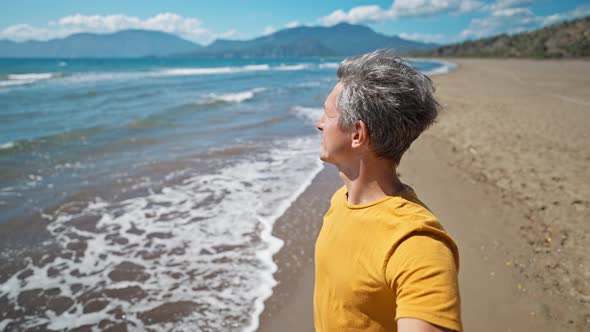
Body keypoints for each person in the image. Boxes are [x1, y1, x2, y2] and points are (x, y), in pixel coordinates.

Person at [314, 50, 462, 332]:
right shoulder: (341, 200)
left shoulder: (416, 244)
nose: (319, 123)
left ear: (358, 134)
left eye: (328, 114)